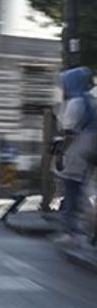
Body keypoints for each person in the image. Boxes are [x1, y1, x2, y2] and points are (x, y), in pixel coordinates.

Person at [56, 66, 96, 241]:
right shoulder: (92, 101)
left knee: (72, 190)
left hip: (77, 151)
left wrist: (60, 153)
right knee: (83, 189)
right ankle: (85, 229)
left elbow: (69, 132)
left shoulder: (75, 103)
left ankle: (71, 232)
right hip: (91, 149)